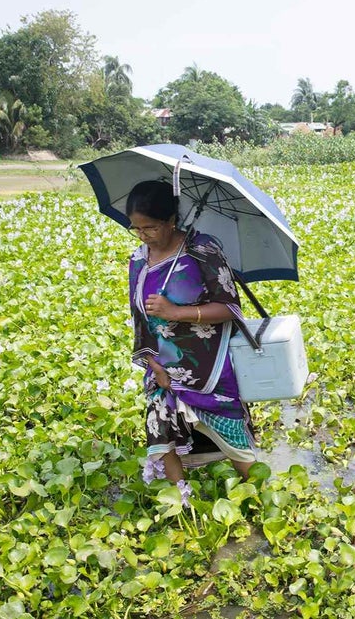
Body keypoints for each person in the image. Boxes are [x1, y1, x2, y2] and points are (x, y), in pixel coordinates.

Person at [126, 180, 256, 483]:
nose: (144, 236)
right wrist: (154, 365)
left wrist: (176, 312)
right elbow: (139, 317)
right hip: (163, 364)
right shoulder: (138, 259)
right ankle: (180, 501)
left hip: (208, 366)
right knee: (161, 424)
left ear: (171, 221)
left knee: (232, 435)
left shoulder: (202, 251)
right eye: (136, 229)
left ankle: (259, 492)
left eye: (151, 228)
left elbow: (230, 308)